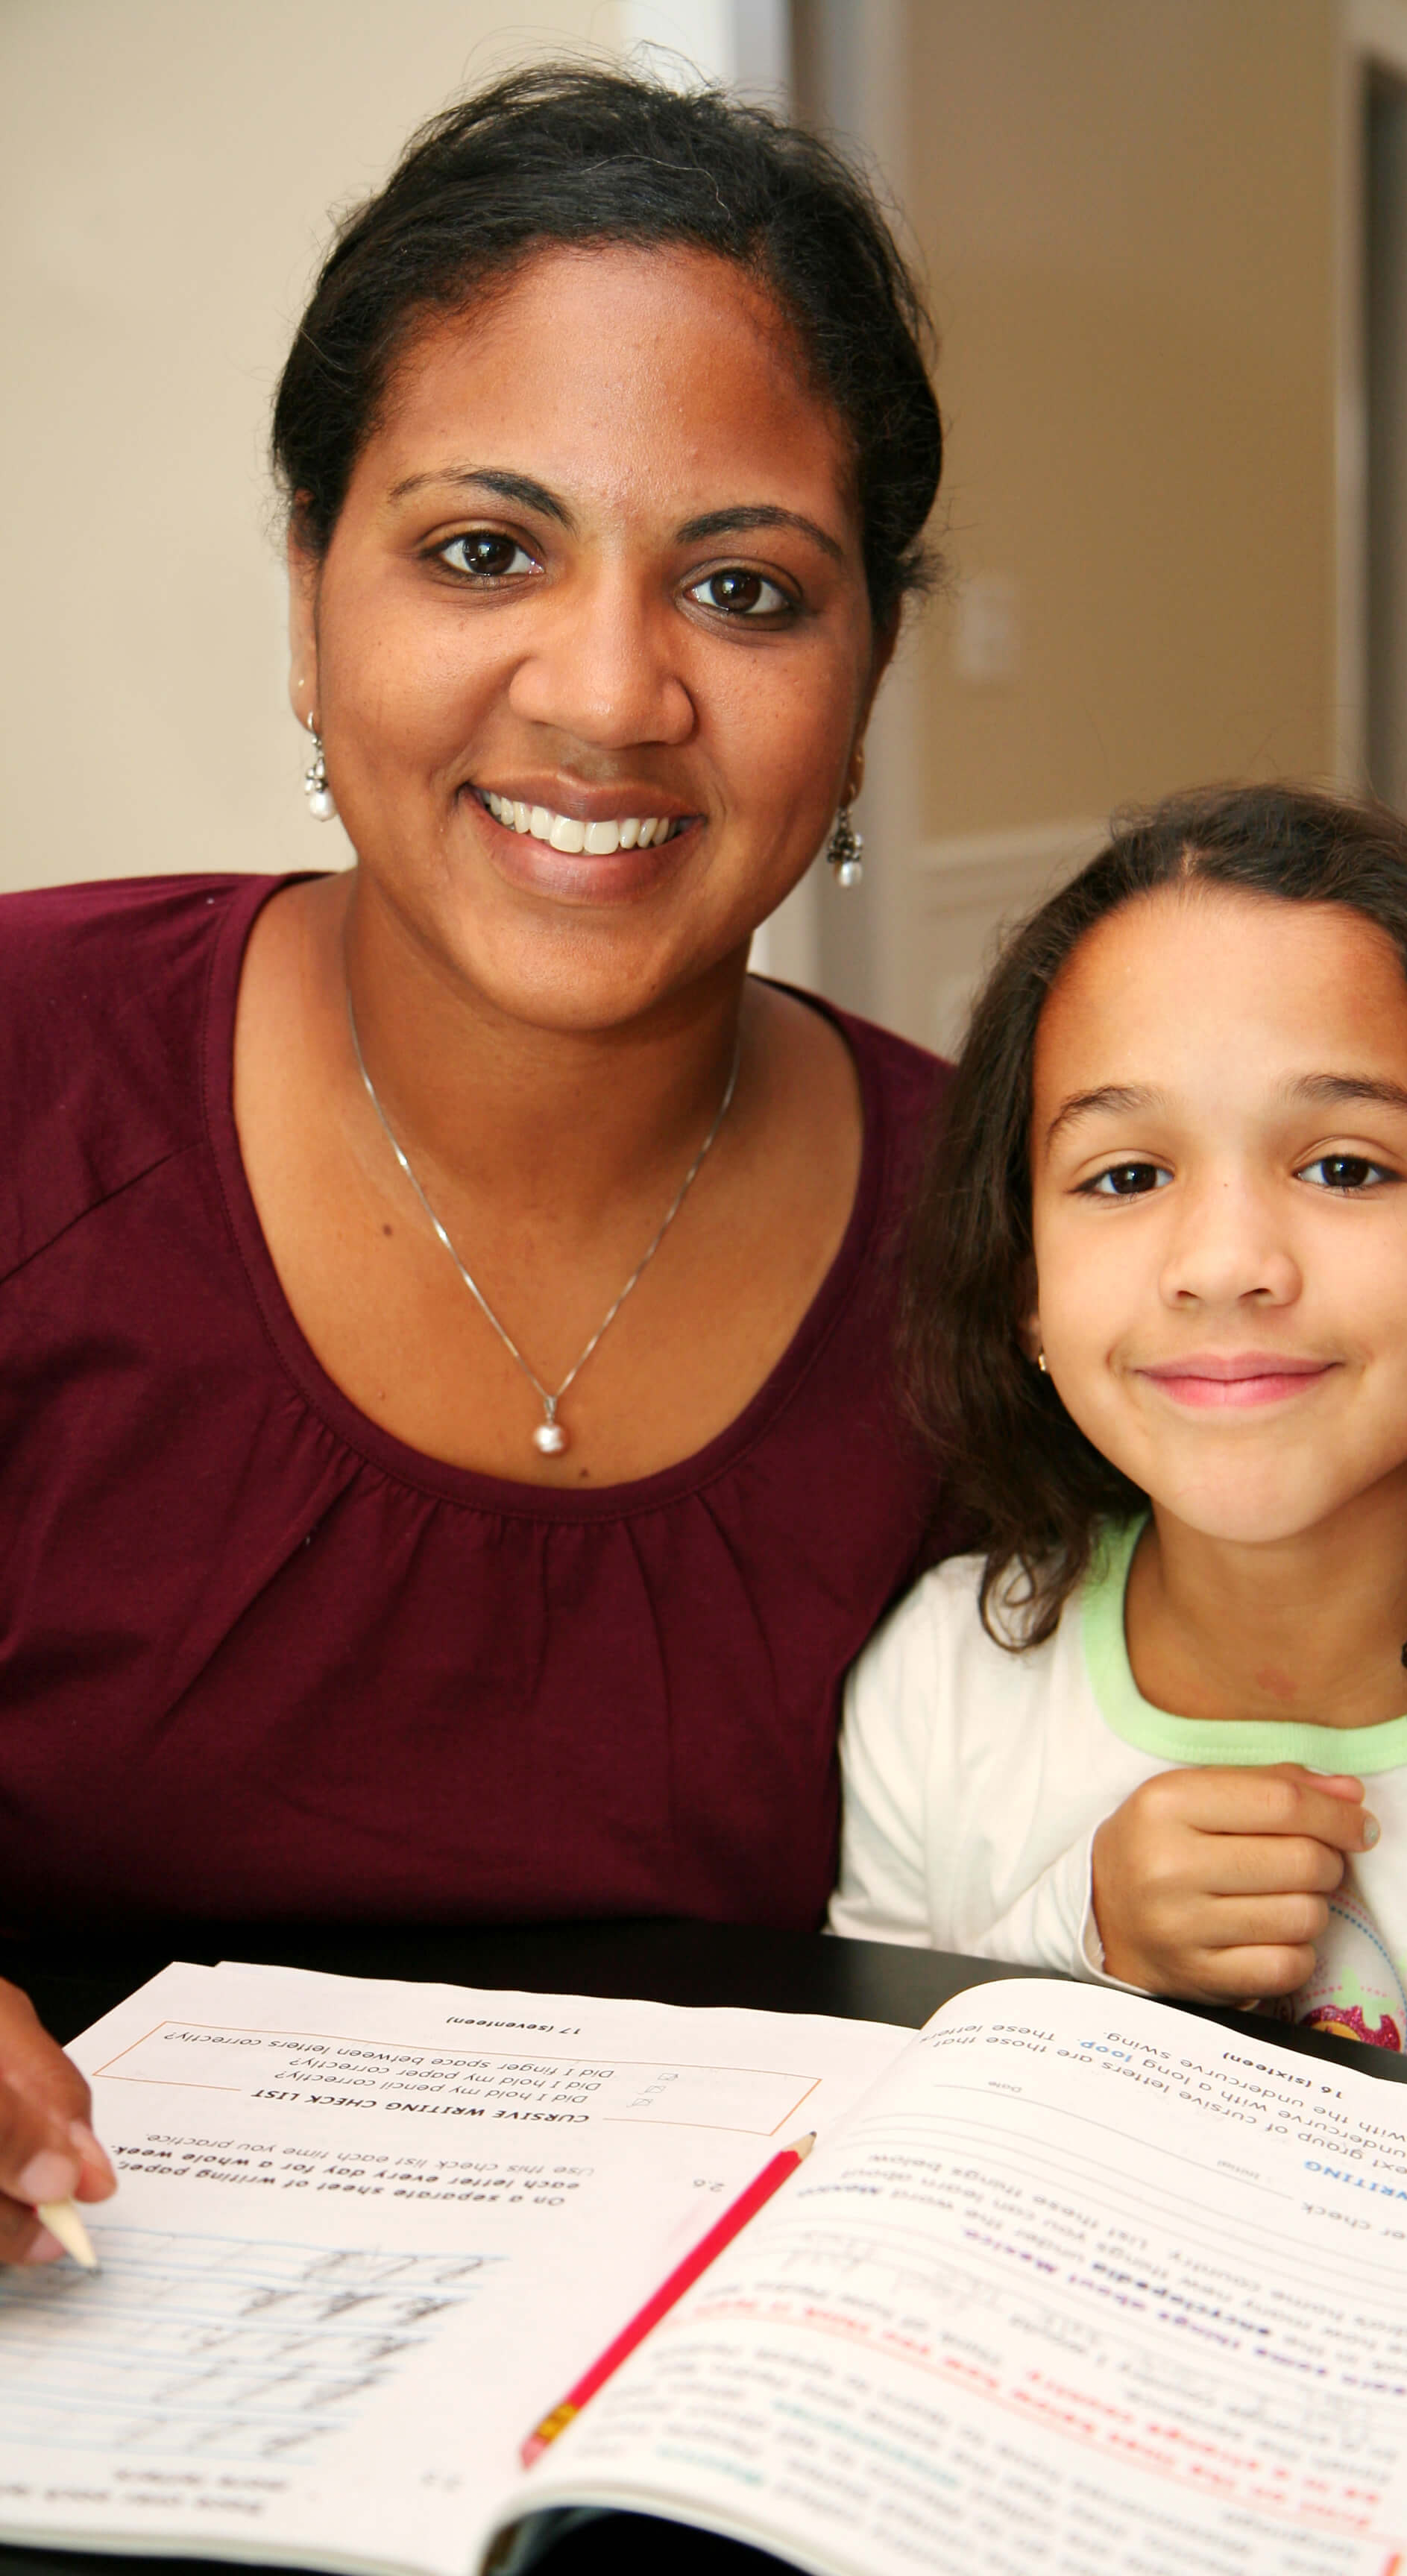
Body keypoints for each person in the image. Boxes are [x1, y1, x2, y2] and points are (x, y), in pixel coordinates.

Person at [0, 65, 948, 2263]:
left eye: (744, 586)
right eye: (483, 551)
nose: (610, 695)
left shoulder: (1023, 1251)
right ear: (314, 590)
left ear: (870, 667)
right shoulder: (29, 1081)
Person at [830, 783, 1407, 2118]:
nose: (1228, 1264)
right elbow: (872, 2123)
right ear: (1025, 1293)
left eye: (1345, 1167)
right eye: (1127, 1176)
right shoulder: (947, 1690)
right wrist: (1085, 1938)